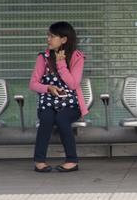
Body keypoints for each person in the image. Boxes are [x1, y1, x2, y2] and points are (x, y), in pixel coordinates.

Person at [29, 21, 87, 173]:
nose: (48, 39)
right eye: (48, 35)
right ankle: (39, 161)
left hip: (71, 104)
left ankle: (72, 160)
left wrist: (61, 64)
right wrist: (48, 88)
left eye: (52, 36)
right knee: (46, 120)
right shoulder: (43, 58)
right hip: (48, 101)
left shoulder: (76, 57)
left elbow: (73, 84)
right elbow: (33, 84)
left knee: (62, 119)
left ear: (64, 39)